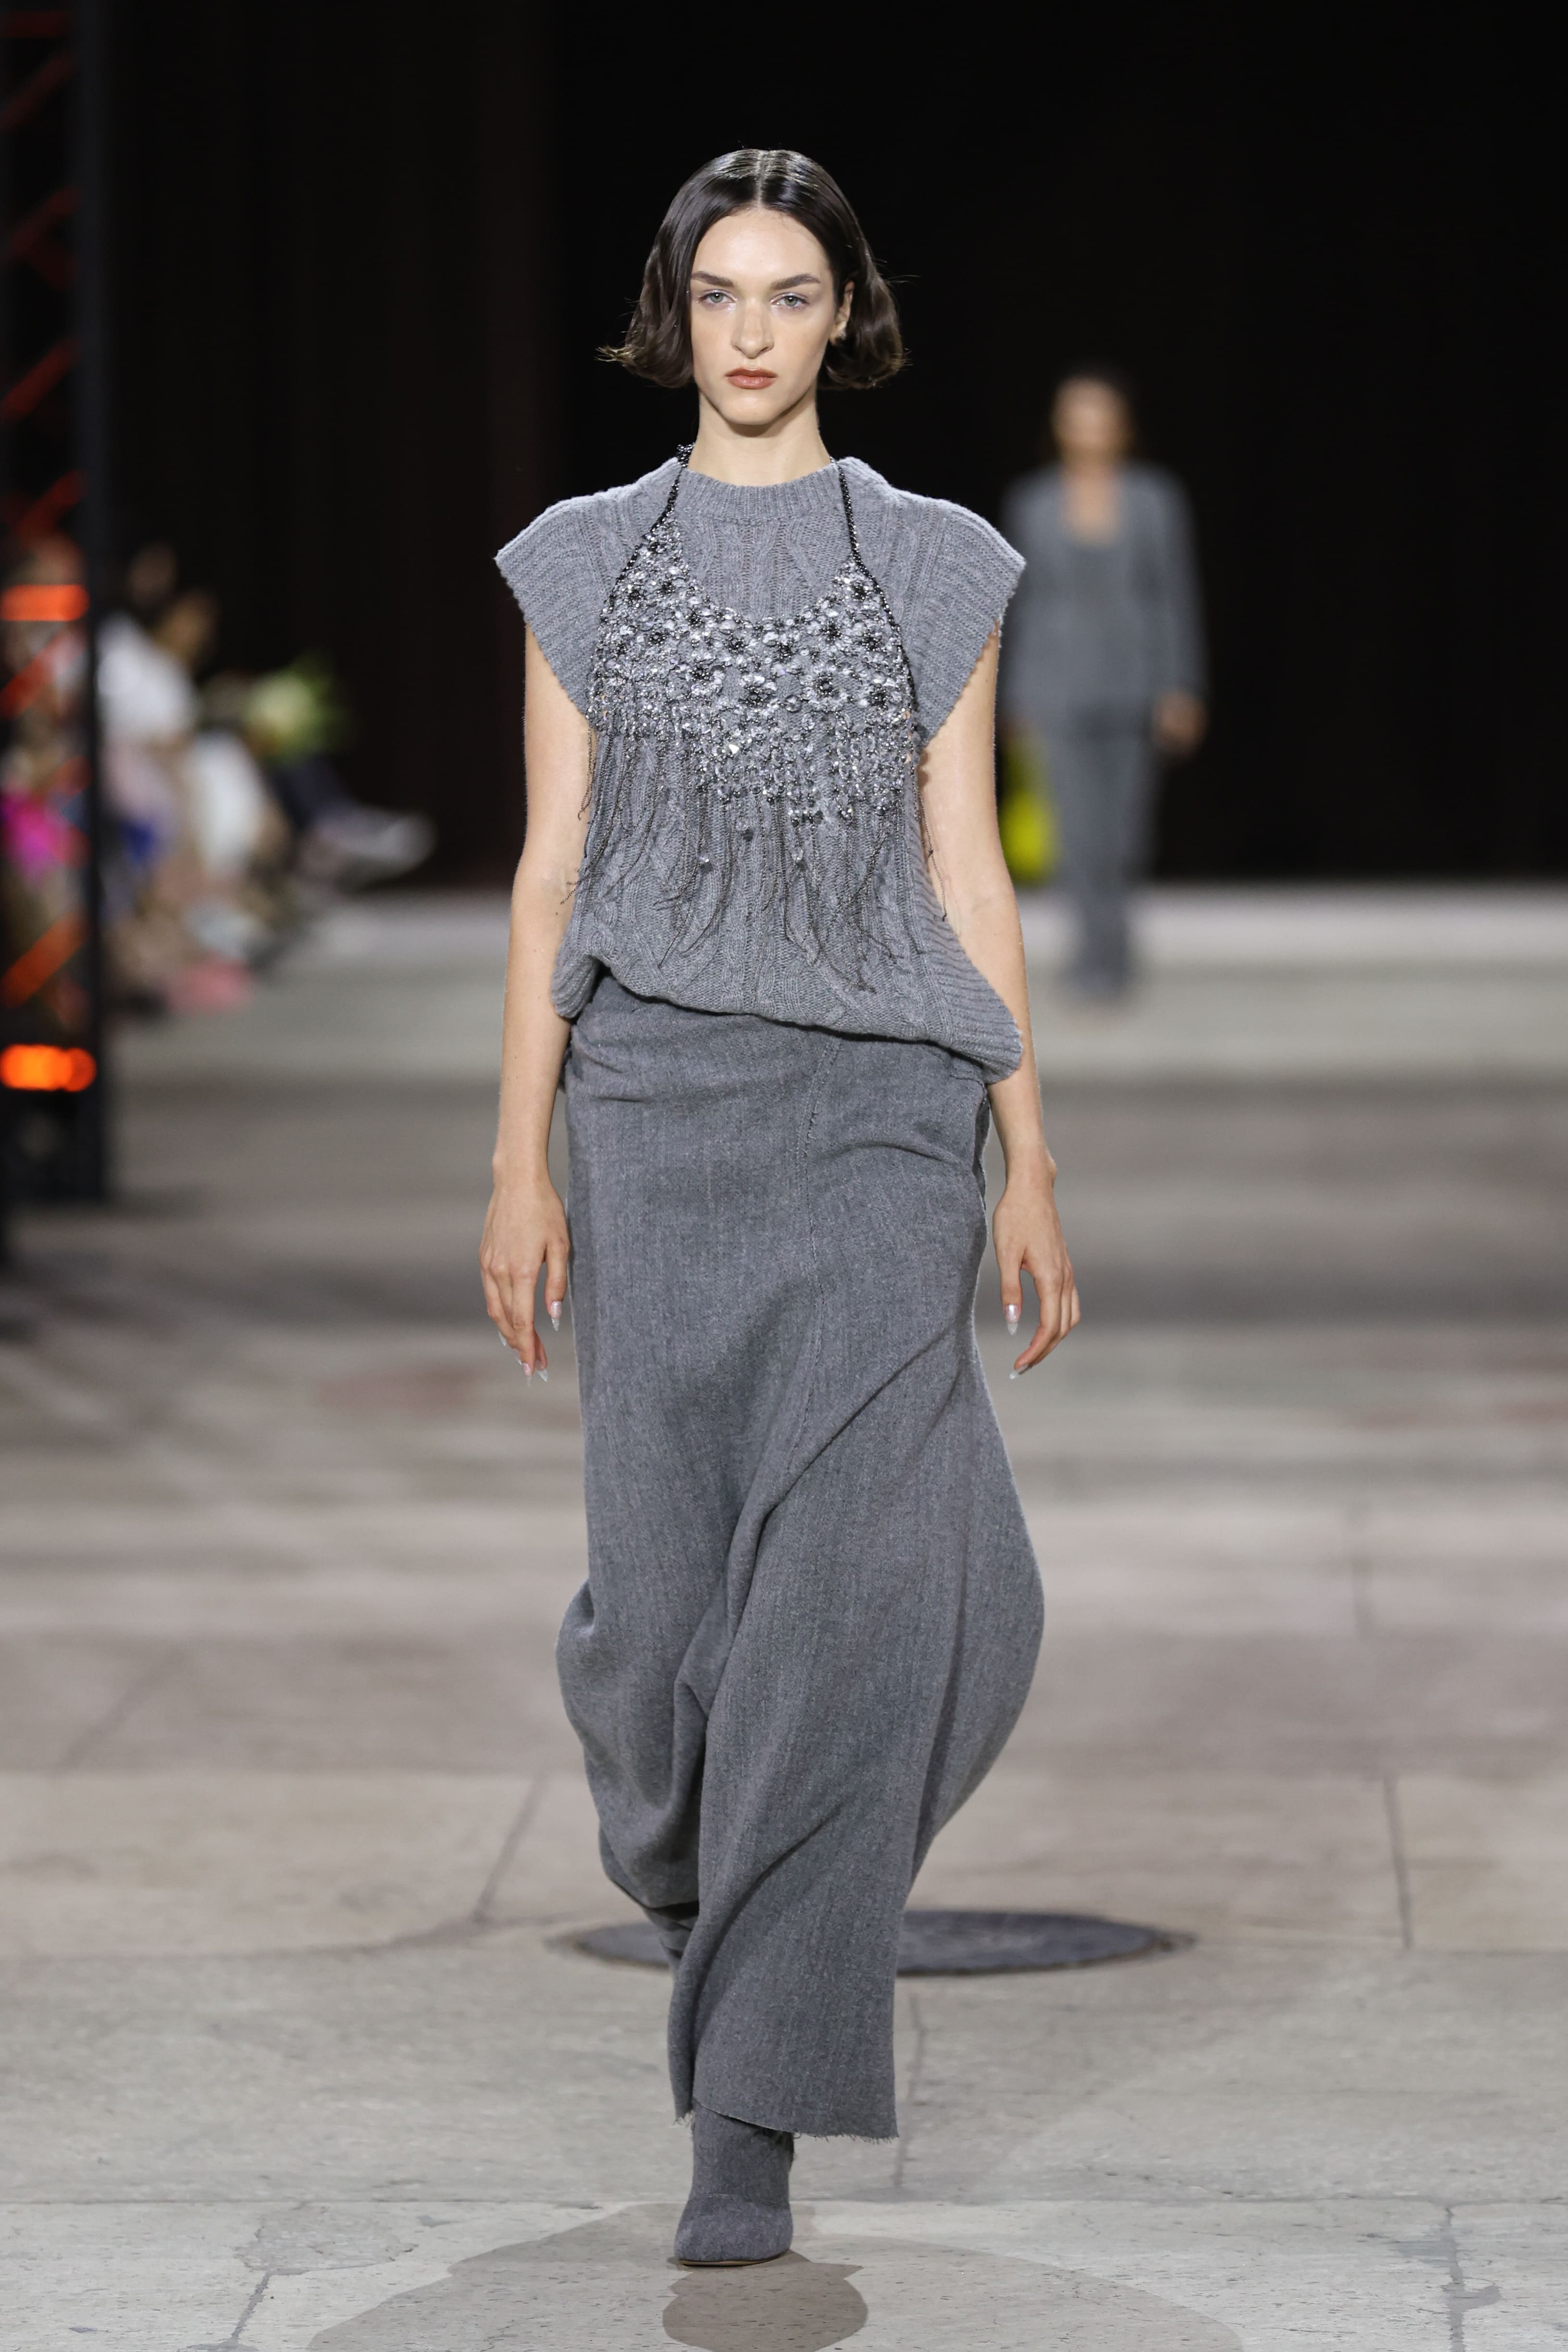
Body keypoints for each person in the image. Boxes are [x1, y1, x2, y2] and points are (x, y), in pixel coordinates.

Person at [481, 150, 1079, 2269]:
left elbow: (968, 869)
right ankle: (698, 1862)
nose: (752, 331)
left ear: (845, 316)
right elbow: (550, 872)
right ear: (676, 314)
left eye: (791, 292)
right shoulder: (580, 561)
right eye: (720, 292)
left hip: (879, 1122)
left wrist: (1024, 1148)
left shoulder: (935, 562)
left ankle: (747, 2115)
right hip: (654, 1114)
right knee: (659, 1632)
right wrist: (517, 1158)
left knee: (845, 1616)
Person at [1001, 371, 1206, 997]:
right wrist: (1015, 696)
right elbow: (1023, 606)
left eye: (1100, 416)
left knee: (1123, 833)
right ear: (1059, 426)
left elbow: (1172, 595)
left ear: (1122, 426)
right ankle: (1093, 959)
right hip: (1056, 684)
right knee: (1074, 831)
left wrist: (1181, 686)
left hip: (1132, 683)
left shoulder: (1153, 499)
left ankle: (1115, 950)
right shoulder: (1033, 502)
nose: (1088, 429)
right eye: (1076, 415)